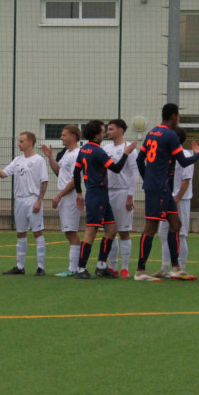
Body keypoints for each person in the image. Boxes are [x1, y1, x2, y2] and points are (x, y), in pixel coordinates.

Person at [135, 103, 199, 282]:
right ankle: (140, 271)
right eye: (178, 116)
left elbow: (140, 159)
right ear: (174, 116)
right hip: (158, 188)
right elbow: (184, 162)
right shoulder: (170, 135)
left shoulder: (152, 132)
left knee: (175, 224)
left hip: (162, 188)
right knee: (151, 228)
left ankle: (176, 268)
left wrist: (147, 178)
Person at [53, 120, 136, 279]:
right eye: (103, 131)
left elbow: (77, 172)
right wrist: (126, 153)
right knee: (91, 231)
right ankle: (81, 268)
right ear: (96, 134)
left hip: (98, 194)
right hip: (97, 194)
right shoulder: (98, 151)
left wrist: (78, 192)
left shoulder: (84, 150)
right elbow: (117, 169)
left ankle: (101, 266)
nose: (104, 134)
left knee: (111, 230)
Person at [0, 131, 49, 275]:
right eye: (19, 141)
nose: (19, 144)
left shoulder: (38, 160)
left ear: (30, 142)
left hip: (32, 199)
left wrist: (39, 201)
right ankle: (19, 266)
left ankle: (41, 267)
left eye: (22, 141)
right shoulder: (17, 160)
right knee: (20, 233)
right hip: (19, 200)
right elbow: (3, 174)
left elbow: (45, 181)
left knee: (37, 232)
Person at [99, 118, 140, 278]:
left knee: (124, 231)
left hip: (123, 193)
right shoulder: (105, 148)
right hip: (107, 192)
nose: (108, 132)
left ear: (120, 131)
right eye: (107, 130)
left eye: (111, 129)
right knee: (110, 231)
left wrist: (131, 195)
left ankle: (125, 268)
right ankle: (113, 266)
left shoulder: (129, 149)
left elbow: (135, 173)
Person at [41, 125, 83, 277]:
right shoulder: (67, 153)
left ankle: (74, 268)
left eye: (64, 135)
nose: (61, 138)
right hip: (65, 197)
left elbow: (74, 180)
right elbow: (59, 172)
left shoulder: (77, 154)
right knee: (68, 231)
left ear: (73, 136)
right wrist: (50, 157)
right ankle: (75, 267)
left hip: (70, 197)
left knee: (71, 232)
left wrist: (59, 195)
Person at [158, 126, 195, 277]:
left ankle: (181, 267)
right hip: (168, 198)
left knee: (180, 233)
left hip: (181, 199)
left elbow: (186, 180)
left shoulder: (185, 155)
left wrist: (177, 198)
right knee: (163, 232)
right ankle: (165, 267)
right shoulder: (168, 154)